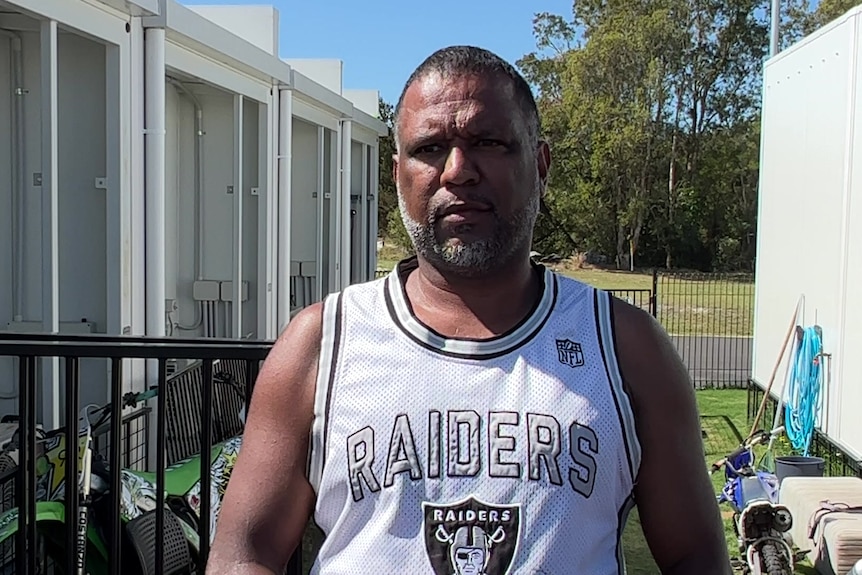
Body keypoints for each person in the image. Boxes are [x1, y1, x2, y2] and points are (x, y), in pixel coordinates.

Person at [206, 45, 732, 575]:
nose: (458, 170)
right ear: (398, 175)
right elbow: (245, 553)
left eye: (488, 142)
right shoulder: (322, 342)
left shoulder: (623, 345)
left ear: (540, 163)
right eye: (431, 147)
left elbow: (696, 554)